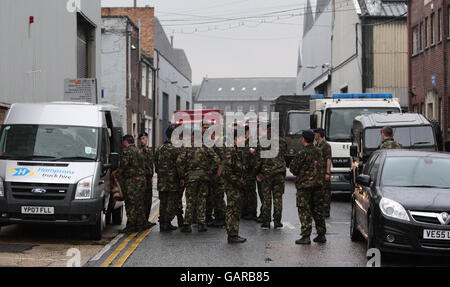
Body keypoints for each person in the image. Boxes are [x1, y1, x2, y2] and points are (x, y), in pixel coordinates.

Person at [177, 130, 220, 233]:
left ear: (192, 137)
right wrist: (210, 171)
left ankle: (187, 224)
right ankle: (201, 223)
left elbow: (179, 162)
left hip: (191, 178)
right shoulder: (205, 147)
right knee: (202, 199)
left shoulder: (187, 148)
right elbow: (216, 159)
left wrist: (183, 174)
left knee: (190, 200)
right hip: (203, 177)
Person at [289, 130, 326, 245]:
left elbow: (293, 169)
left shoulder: (302, 153)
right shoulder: (319, 151)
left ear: (303, 139)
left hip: (304, 186)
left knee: (304, 209)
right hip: (318, 185)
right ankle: (321, 234)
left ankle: (306, 235)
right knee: (318, 210)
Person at [113, 135, 149, 233]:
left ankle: (131, 225)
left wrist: (116, 174)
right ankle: (141, 224)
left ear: (125, 141)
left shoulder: (127, 152)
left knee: (130, 203)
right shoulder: (139, 151)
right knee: (139, 202)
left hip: (132, 181)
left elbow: (124, 165)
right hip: (142, 180)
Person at [256, 122, 286, 229]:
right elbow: (284, 154)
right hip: (279, 173)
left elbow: (258, 159)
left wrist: (257, 172)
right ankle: (277, 221)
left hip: (266, 173)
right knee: (278, 198)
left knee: (266, 198)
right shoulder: (282, 141)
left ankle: (266, 222)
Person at [154, 125, 182, 232]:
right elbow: (179, 165)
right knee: (172, 202)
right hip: (173, 181)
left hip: (162, 180)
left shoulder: (159, 149)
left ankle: (163, 224)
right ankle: (167, 222)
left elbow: (155, 164)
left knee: (163, 202)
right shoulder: (176, 149)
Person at [223, 129, 248, 243]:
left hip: (238, 185)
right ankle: (231, 234)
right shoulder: (230, 151)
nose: (244, 139)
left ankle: (235, 232)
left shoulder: (239, 151)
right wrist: (238, 181)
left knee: (237, 209)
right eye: (242, 138)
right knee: (232, 209)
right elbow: (227, 172)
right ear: (236, 138)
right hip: (232, 185)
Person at [139, 132, 156, 227]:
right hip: (142, 179)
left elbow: (151, 164)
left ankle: (146, 220)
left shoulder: (149, 151)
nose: (142, 141)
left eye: (143, 138)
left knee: (148, 200)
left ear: (147, 138)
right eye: (140, 139)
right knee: (142, 200)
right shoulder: (139, 152)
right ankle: (142, 221)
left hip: (149, 179)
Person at [314, 128, 332, 218]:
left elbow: (328, 159)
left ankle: (326, 211)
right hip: (317, 173)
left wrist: (327, 173)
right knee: (318, 192)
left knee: (325, 192)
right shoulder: (316, 145)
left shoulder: (326, 146)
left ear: (319, 134)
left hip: (324, 171)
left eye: (315, 133)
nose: (314, 135)